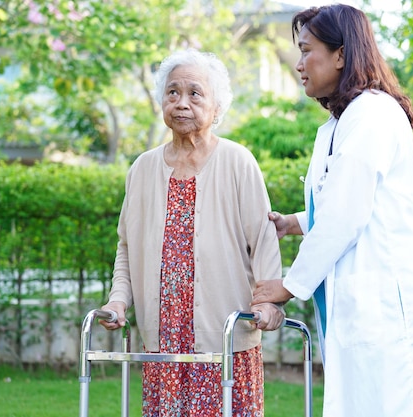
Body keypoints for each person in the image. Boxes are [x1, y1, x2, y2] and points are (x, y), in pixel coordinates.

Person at [251, 5, 413, 417]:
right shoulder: (337, 125)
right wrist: (293, 223)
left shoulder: (373, 114)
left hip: (389, 303)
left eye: (308, 50)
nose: (298, 64)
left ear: (341, 55)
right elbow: (345, 203)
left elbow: (346, 214)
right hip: (362, 301)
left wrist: (289, 285)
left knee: (396, 404)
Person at [99, 48, 285, 417]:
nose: (181, 102)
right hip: (163, 345)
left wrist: (267, 302)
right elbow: (126, 247)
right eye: (172, 92)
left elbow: (263, 241)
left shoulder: (237, 161)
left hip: (224, 341)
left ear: (217, 108)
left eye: (195, 93)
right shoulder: (142, 169)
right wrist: (118, 300)